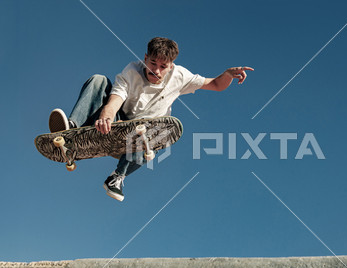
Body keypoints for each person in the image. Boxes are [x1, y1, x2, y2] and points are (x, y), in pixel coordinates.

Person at [48, 37, 253, 202]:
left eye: (163, 66)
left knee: (156, 134)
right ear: (145, 58)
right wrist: (106, 115)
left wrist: (227, 74)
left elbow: (216, 84)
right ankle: (71, 131)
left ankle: (117, 177)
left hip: (141, 138)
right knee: (99, 80)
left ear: (171, 66)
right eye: (152, 63)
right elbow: (115, 99)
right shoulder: (132, 71)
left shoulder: (180, 76)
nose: (156, 70)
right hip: (118, 123)